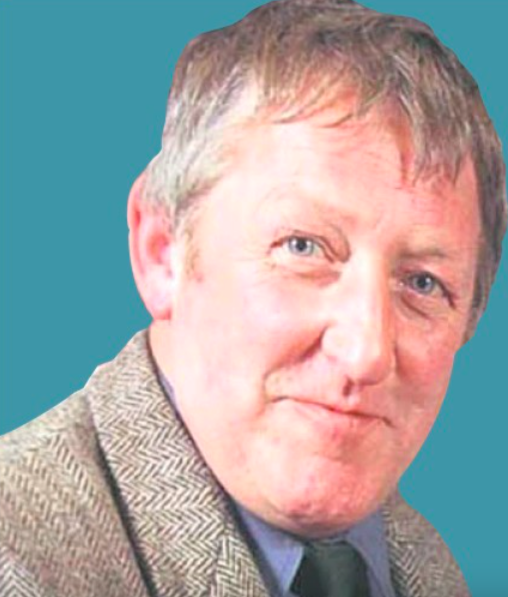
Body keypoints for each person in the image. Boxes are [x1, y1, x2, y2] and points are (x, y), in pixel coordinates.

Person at [1, 0, 506, 595]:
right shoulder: (19, 561)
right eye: (303, 247)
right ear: (163, 252)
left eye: (422, 283)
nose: (366, 351)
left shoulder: (425, 565)